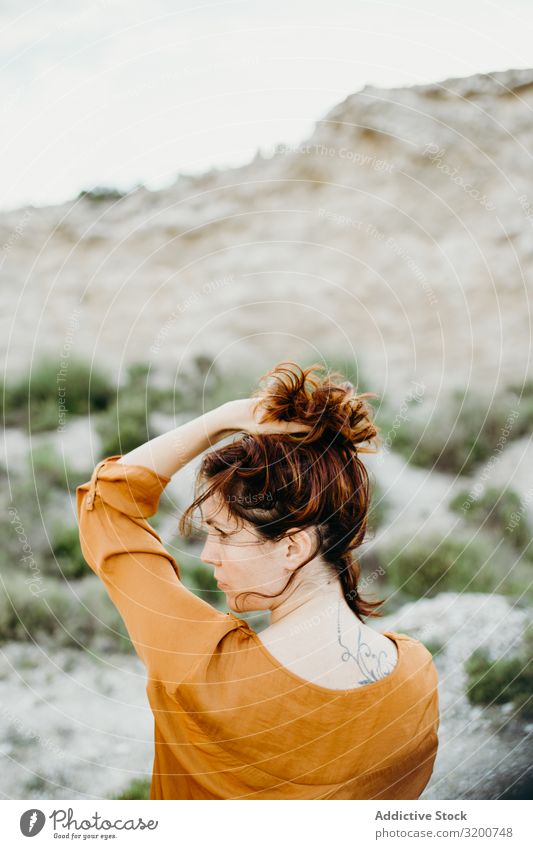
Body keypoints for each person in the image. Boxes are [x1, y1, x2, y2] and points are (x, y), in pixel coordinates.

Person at [76, 360, 439, 800]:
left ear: (293, 548)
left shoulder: (197, 666)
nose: (208, 555)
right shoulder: (417, 678)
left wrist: (223, 418)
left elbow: (106, 502)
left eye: (225, 535)